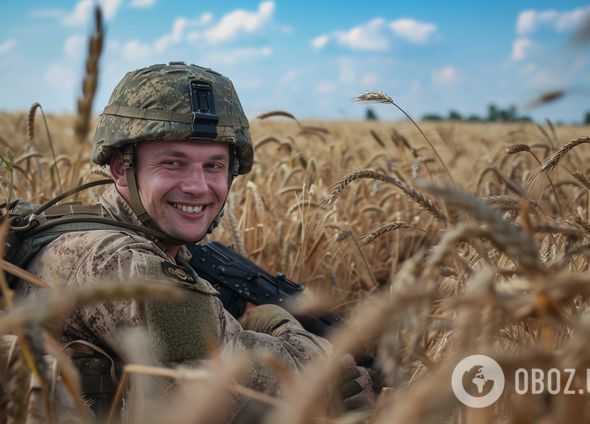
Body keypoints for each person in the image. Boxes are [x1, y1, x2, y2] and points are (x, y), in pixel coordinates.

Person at [12, 62, 372, 421]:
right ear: (122, 169)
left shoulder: (92, 228)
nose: (198, 187)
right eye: (173, 162)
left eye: (214, 166)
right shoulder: (116, 260)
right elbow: (245, 391)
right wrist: (277, 324)